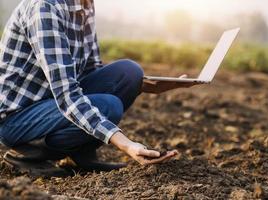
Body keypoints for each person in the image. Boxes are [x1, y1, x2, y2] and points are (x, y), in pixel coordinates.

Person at [0, 0, 197, 172]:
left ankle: (82, 152)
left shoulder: (84, 3)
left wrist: (146, 85)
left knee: (130, 73)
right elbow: (66, 94)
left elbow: (90, 70)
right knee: (109, 106)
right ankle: (30, 152)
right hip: (17, 117)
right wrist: (126, 144)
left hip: (50, 100)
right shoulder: (44, 8)